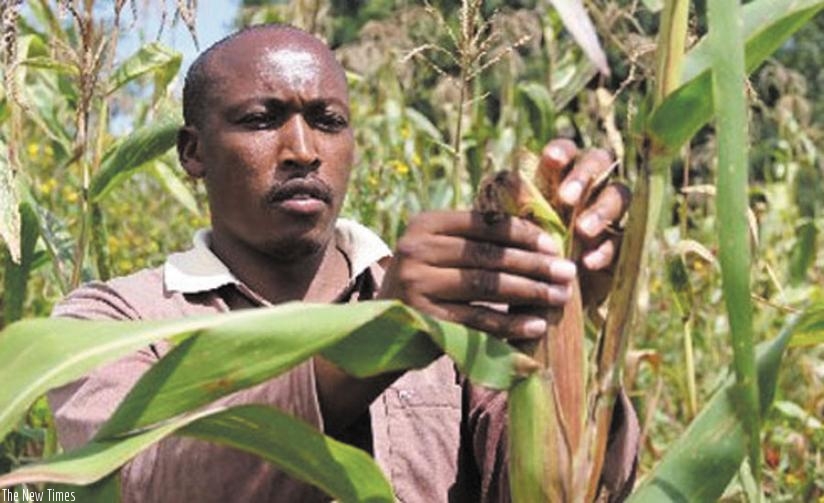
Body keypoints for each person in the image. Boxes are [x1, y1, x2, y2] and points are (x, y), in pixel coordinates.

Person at [48, 24, 637, 502]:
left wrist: (562, 325)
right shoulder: (113, 322)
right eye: (261, 118)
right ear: (194, 152)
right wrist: (377, 344)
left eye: (328, 122)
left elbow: (569, 489)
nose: (303, 151)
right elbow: (133, 484)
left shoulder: (457, 313)